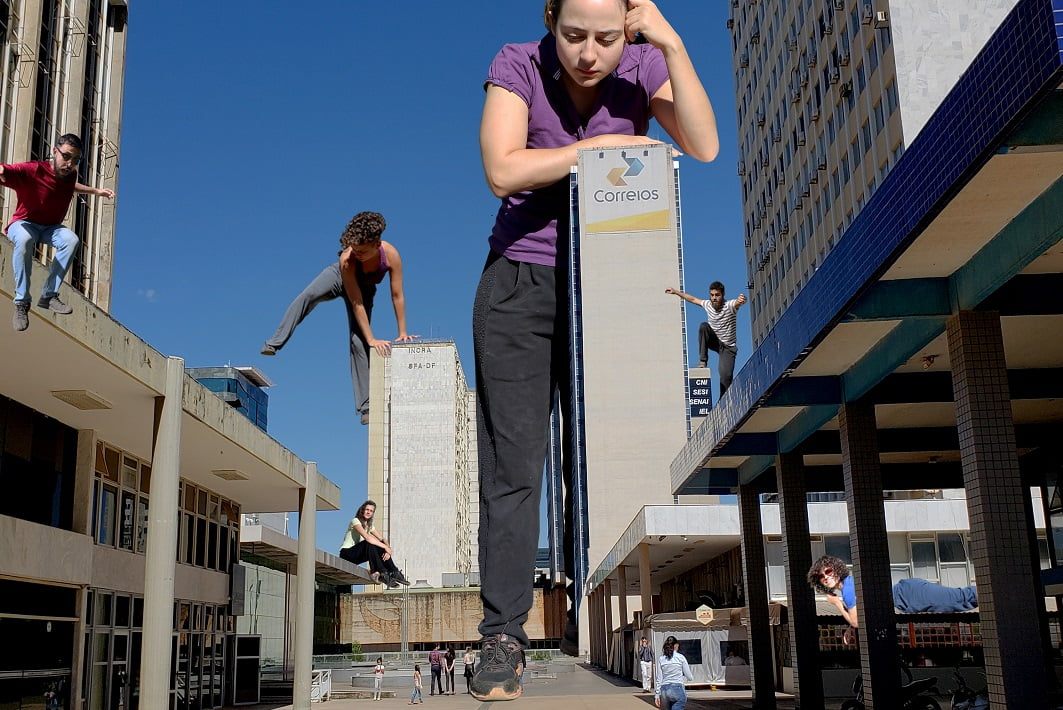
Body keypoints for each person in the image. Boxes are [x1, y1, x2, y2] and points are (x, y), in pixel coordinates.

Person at [471, 0, 718, 700]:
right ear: (549, 20)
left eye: (606, 37)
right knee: (515, 468)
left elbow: (703, 145)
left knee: (611, 455)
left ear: (630, 27)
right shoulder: (517, 64)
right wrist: (597, 152)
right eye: (573, 34)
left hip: (611, 283)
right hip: (520, 285)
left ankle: (615, 618)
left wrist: (671, 45)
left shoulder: (643, 65)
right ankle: (502, 637)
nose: (588, 53)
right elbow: (503, 170)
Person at [260, 211, 417, 425]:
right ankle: (275, 342)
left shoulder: (391, 255)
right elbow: (355, 302)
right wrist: (372, 338)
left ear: (377, 244)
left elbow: (397, 295)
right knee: (308, 296)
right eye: (354, 249)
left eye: (362, 251)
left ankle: (366, 407)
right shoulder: (347, 259)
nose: (357, 254)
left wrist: (402, 332)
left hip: (365, 290)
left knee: (358, 342)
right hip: (339, 278)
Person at [3, 133, 115, 332]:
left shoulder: (70, 175)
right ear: (55, 151)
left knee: (71, 240)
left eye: (75, 160)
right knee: (25, 240)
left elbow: (72, 186)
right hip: (24, 224)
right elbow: (9, 170)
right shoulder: (34, 170)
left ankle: (49, 295)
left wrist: (96, 191)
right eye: (66, 156)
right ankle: (22, 302)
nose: (69, 164)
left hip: (50, 228)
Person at [808, 555, 979, 644]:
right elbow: (862, 611)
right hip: (909, 595)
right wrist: (849, 628)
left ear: (836, 569)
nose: (826, 577)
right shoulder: (849, 585)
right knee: (959, 600)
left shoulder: (847, 590)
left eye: (828, 571)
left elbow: (857, 621)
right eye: (821, 577)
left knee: (960, 599)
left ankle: (988, 589)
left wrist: (837, 604)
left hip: (910, 594)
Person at [664, 282, 746, 396]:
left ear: (723, 295)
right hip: (714, 341)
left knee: (725, 376)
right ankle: (703, 360)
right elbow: (693, 299)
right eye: (712, 295)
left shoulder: (729, 305)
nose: (714, 298)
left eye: (717, 295)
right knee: (704, 326)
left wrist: (741, 300)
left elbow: (737, 303)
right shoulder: (707, 304)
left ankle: (724, 400)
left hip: (728, 347)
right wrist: (676, 292)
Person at [338, 500, 410, 588]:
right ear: (362, 510)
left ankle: (393, 571)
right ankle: (382, 573)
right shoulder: (355, 521)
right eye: (367, 509)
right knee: (369, 543)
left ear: (373, 513)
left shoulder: (370, 526)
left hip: (357, 556)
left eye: (371, 511)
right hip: (346, 554)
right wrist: (385, 547)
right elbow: (367, 538)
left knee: (378, 545)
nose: (368, 512)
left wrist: (387, 550)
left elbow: (382, 539)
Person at [654, 635, 693, 710]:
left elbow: (659, 678)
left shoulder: (661, 659)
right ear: (676, 645)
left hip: (664, 689)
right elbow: (689, 677)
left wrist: (657, 695)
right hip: (677, 688)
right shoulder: (681, 657)